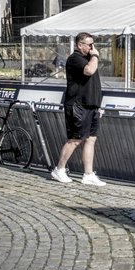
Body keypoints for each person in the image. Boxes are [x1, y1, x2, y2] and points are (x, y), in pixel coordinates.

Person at [51, 32, 107, 186]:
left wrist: (98, 106)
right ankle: (59, 169)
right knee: (75, 139)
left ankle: (88, 174)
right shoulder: (75, 59)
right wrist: (95, 56)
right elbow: (88, 71)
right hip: (78, 105)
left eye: (92, 44)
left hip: (91, 105)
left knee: (91, 139)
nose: (92, 47)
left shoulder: (89, 59)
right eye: (89, 44)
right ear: (79, 45)